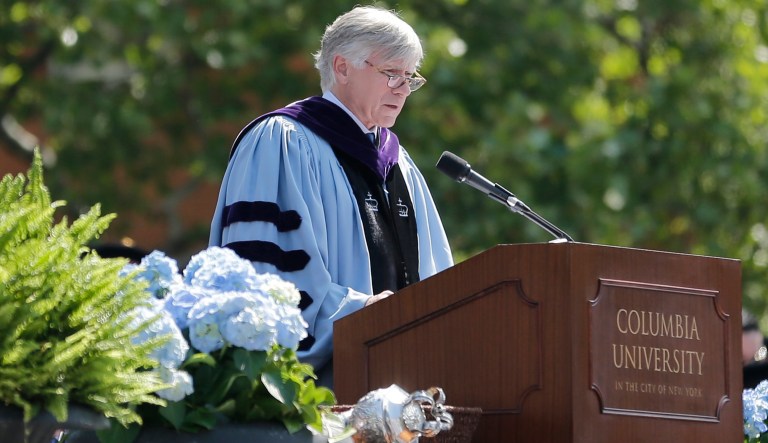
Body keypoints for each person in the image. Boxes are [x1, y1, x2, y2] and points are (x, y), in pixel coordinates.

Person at [208, 6, 453, 386]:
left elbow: (438, 281)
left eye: (410, 77)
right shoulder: (282, 143)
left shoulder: (399, 163)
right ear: (342, 67)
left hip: (406, 389)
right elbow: (267, 276)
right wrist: (362, 312)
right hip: (317, 393)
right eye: (392, 74)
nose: (403, 89)